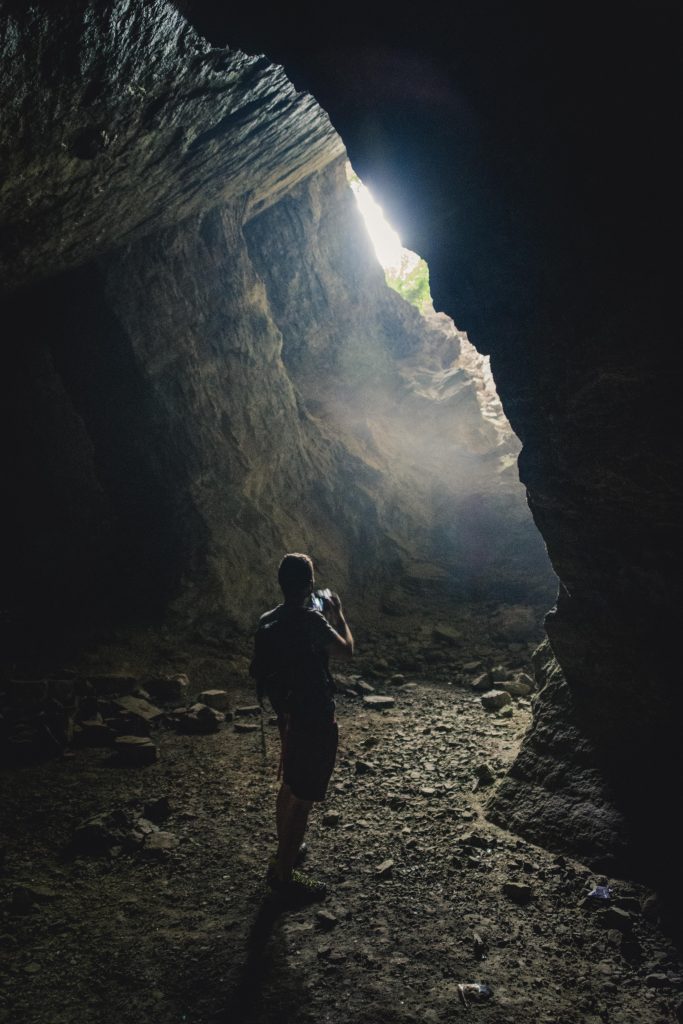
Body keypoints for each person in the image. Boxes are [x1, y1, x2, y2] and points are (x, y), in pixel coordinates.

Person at [250, 552, 354, 901]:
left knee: (290, 784)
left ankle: (285, 851)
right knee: (305, 796)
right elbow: (346, 651)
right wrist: (338, 615)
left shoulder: (267, 619)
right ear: (309, 584)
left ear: (281, 583)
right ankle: (284, 875)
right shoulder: (312, 620)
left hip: (287, 714)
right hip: (314, 716)